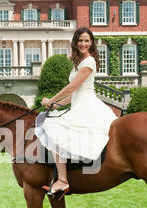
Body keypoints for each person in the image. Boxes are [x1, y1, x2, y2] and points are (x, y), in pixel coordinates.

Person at [35, 27, 117, 198]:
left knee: (53, 126)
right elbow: (74, 94)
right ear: (75, 42)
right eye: (80, 40)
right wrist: (57, 105)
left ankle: (63, 179)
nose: (83, 43)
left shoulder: (89, 62)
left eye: (87, 40)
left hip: (87, 106)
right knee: (52, 120)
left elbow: (72, 87)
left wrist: (50, 100)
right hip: (78, 103)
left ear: (92, 42)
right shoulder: (79, 63)